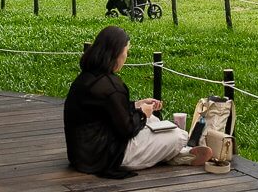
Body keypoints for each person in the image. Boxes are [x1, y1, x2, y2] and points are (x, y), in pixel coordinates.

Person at [64, 26, 214, 178]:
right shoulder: (111, 86)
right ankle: (178, 152)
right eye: (126, 51)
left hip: (81, 155)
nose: (126, 56)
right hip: (106, 157)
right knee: (178, 136)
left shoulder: (87, 78)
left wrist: (137, 104)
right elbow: (127, 129)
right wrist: (142, 113)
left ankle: (179, 155)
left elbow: (106, 110)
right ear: (116, 53)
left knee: (154, 120)